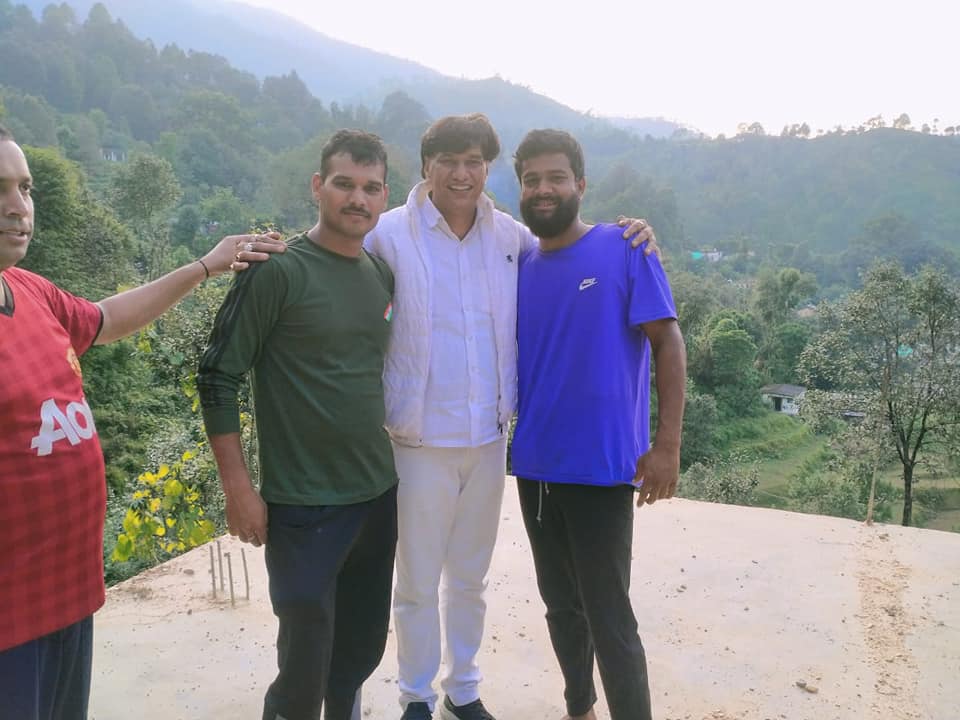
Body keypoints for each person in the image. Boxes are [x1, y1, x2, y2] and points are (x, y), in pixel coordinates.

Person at [364, 114, 657, 720]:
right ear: (426, 167)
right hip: (418, 440)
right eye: (448, 161)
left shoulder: (510, 239)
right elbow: (334, 257)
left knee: (470, 579)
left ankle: (462, 689)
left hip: (489, 440)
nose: (461, 173)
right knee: (416, 581)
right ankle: (415, 694)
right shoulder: (388, 235)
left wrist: (636, 232)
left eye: (474, 161)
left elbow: (568, 244)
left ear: (489, 169)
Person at [0, 124, 284, 720]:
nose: (17, 207)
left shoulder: (28, 291)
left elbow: (105, 319)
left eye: (24, 188)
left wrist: (204, 266)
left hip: (66, 597)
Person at [197, 130, 399, 720]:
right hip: (303, 504)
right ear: (318, 186)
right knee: (304, 664)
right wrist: (239, 489)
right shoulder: (276, 271)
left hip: (377, 495)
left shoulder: (380, 274)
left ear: (384, 197)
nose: (357, 198)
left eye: (370, 188)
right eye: (344, 184)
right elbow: (217, 376)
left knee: (360, 650)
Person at [510, 129, 686, 720]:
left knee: (610, 616)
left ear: (580, 185)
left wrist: (667, 444)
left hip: (603, 468)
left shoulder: (625, 247)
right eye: (531, 179)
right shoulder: (518, 264)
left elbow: (668, 341)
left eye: (556, 177)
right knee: (561, 606)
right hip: (535, 466)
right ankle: (578, 708)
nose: (543, 189)